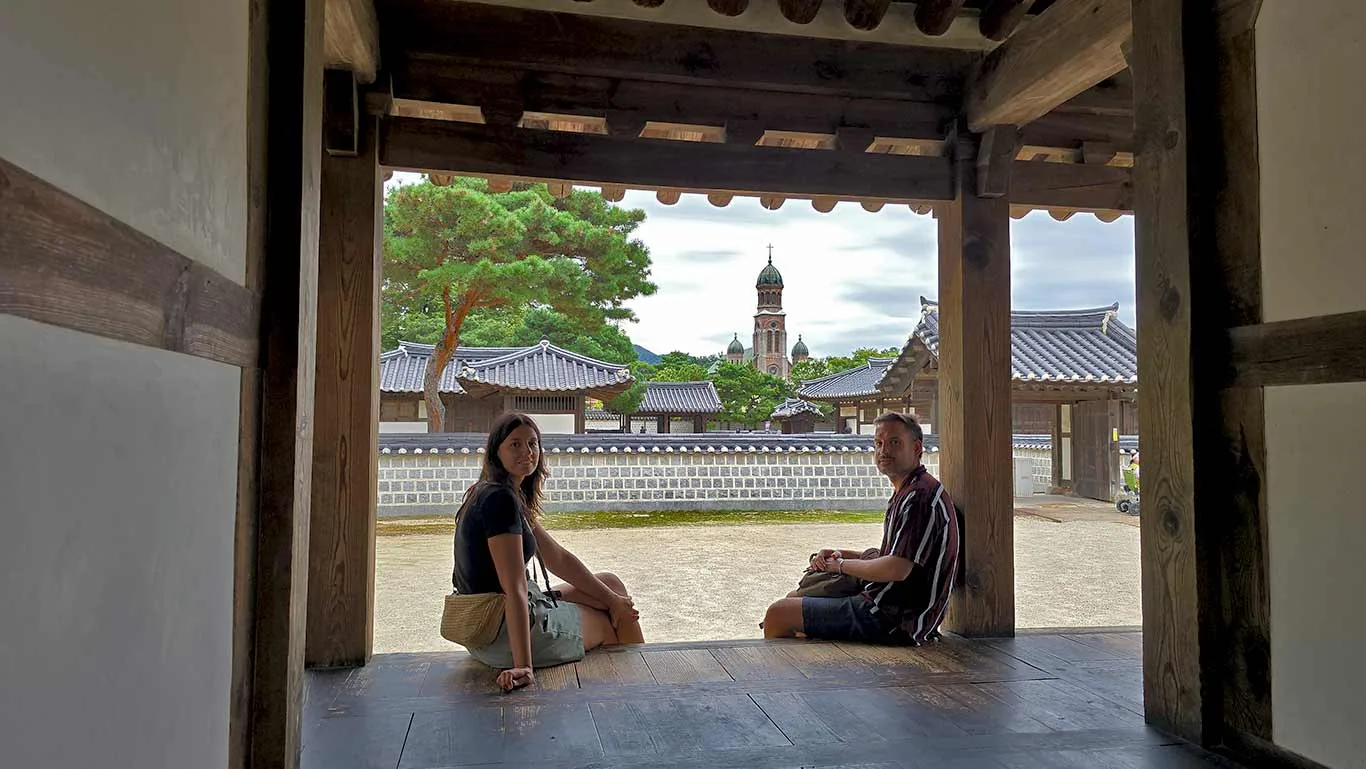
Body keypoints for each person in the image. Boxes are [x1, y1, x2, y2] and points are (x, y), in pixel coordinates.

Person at [452, 412, 644, 691]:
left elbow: (558, 558)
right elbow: (514, 589)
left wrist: (613, 600)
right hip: (499, 632)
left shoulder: (502, 493)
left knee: (611, 585)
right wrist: (524, 667)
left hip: (485, 624)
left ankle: (634, 680)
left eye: (532, 444)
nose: (527, 452)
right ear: (496, 452)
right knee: (607, 623)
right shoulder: (499, 500)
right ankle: (638, 687)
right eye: (515, 444)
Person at [762, 412, 959, 645]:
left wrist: (839, 566)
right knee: (794, 597)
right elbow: (896, 556)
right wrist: (843, 555)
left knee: (778, 615)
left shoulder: (920, 498)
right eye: (879, 443)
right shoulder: (909, 490)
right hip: (888, 604)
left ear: (916, 448)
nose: (884, 450)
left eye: (895, 442)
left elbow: (896, 568)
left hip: (895, 619)